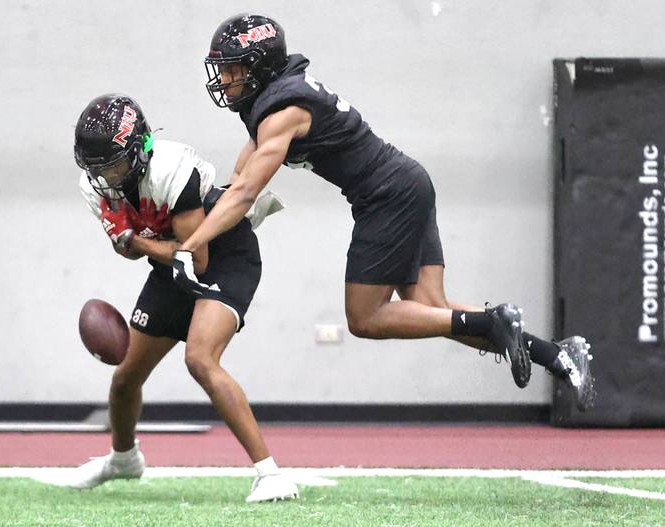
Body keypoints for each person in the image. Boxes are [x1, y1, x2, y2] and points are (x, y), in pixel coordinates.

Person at [171, 14, 595, 410]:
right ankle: (557, 355)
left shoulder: (283, 111)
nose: (224, 80)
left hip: (387, 196)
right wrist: (212, 203)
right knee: (431, 309)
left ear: (260, 66)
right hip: (408, 182)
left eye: (232, 70)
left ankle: (493, 321)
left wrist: (190, 245)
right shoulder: (276, 99)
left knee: (365, 318)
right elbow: (241, 176)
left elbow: (247, 192)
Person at [51, 93, 298, 502]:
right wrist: (129, 241)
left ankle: (270, 474)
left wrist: (133, 239)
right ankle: (123, 459)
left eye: (112, 164)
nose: (104, 176)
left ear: (140, 149)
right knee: (125, 378)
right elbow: (131, 251)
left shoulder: (171, 168)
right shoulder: (94, 186)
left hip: (224, 255)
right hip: (171, 266)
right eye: (96, 167)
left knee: (200, 358)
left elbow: (195, 257)